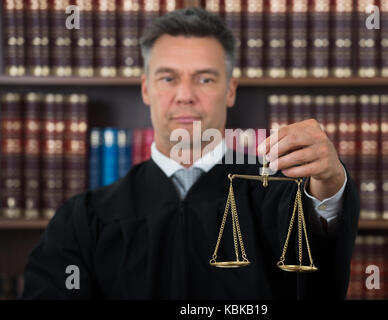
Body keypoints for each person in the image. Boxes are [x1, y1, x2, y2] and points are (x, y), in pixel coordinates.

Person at [22, 7, 359, 299]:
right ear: (146, 89)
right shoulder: (83, 219)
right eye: (168, 78)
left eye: (205, 79)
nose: (185, 95)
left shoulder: (282, 195)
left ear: (230, 91)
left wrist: (330, 182)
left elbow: (321, 281)